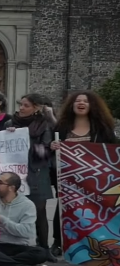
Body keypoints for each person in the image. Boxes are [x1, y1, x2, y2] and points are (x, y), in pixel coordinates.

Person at [50, 91, 118, 255]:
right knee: (63, 209)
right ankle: (58, 242)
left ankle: (94, 242)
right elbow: (50, 149)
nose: (81, 103)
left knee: (93, 210)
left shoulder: (102, 129)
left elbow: (111, 151)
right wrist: (53, 146)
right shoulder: (62, 127)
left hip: (94, 179)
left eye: (85, 101)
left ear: (92, 106)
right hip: (67, 179)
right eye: (78, 101)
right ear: (71, 105)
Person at [0, 172, 51, 266]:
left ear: (11, 188)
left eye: (0, 183)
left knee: (41, 253)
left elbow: (24, 232)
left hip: (20, 246)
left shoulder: (27, 205)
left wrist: (0, 218)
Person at [10, 94, 54, 255]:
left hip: (37, 172)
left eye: (26, 105)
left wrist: (26, 142)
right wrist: (10, 135)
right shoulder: (10, 123)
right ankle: (16, 244)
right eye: (20, 104)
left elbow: (44, 152)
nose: (21, 108)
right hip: (16, 173)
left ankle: (43, 247)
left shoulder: (44, 125)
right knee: (14, 209)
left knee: (40, 211)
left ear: (36, 108)